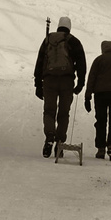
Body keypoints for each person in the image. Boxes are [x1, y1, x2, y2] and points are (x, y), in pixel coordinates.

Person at [33, 16, 86, 157]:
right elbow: (81, 63)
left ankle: (49, 136)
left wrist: (38, 84)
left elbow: (39, 62)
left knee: (49, 111)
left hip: (49, 80)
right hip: (66, 81)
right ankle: (60, 142)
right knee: (63, 113)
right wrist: (81, 83)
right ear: (69, 27)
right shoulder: (73, 41)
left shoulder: (48, 40)